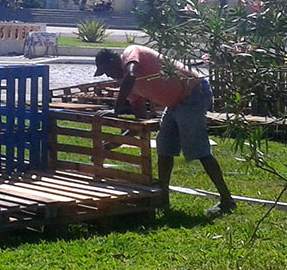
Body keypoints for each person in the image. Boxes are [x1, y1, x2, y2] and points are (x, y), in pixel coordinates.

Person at [94, 46, 237, 216]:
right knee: (164, 148)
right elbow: (141, 124)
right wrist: (111, 144)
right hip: (175, 104)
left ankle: (227, 201)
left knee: (198, 149)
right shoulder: (129, 86)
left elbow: (131, 75)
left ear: (113, 61)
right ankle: (163, 197)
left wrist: (116, 109)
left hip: (193, 93)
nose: (108, 76)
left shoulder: (130, 54)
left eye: (107, 71)